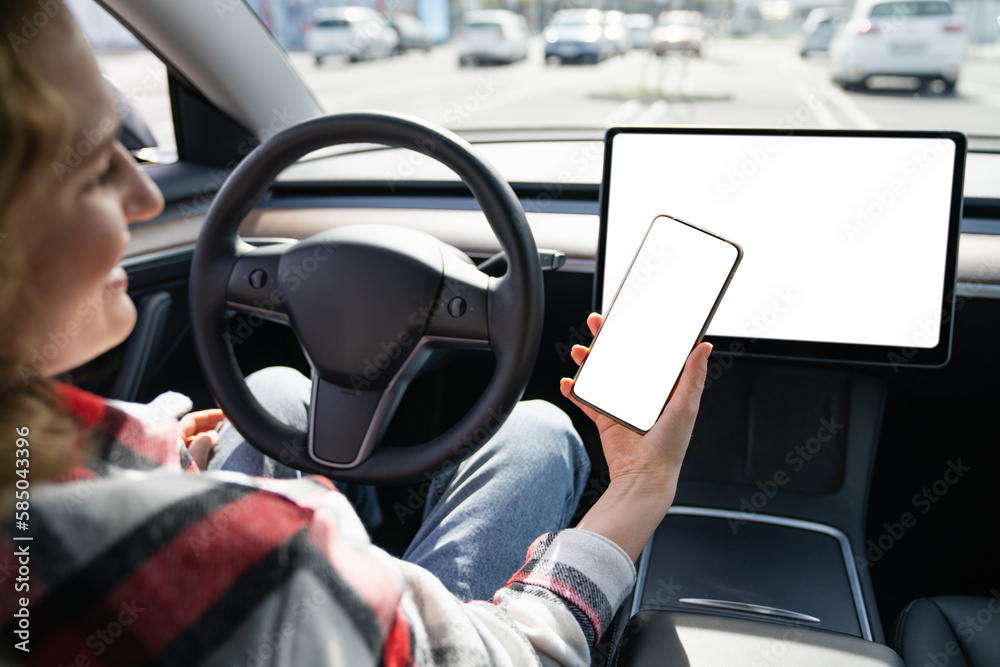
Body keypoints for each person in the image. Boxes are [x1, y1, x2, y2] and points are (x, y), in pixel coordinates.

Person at [0, 2, 711, 664]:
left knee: (276, 390)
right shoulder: (255, 557)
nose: (146, 194)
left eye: (132, 148)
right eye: (94, 171)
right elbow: (512, 652)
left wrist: (154, 451)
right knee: (535, 434)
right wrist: (640, 488)